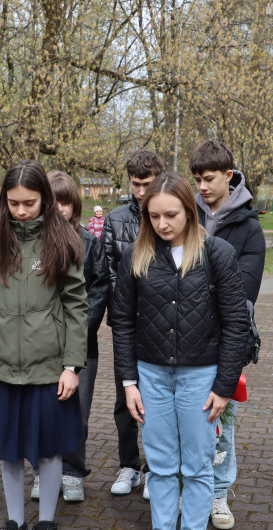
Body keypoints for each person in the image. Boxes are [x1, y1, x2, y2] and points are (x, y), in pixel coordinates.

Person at [112, 172, 249, 530]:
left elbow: (236, 323)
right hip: (151, 374)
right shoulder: (136, 256)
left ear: (190, 211)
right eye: (153, 216)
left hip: (200, 375)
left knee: (197, 463)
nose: (162, 224)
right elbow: (121, 321)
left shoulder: (217, 253)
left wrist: (224, 386)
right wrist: (128, 382)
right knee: (160, 462)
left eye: (171, 214)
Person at [0, 160, 87, 530]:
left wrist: (72, 365)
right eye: (14, 203)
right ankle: (16, 526)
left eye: (30, 203)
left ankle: (47, 526)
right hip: (0, 368)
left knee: (49, 451)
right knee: (9, 450)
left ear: (46, 200)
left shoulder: (63, 241)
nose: (21, 211)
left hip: (48, 368)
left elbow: (76, 307)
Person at [190, 140, 266, 530]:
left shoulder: (249, 226)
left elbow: (243, 290)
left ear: (229, 176)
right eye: (197, 179)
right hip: (184, 335)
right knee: (188, 417)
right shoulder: (187, 217)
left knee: (223, 417)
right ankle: (190, 487)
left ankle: (219, 492)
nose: (202, 186)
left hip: (227, 337)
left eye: (209, 179)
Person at [31, 171, 108, 503]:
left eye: (65, 201)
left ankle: (74, 472)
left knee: (78, 410)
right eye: (54, 201)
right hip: (40, 348)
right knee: (41, 412)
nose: (59, 209)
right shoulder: (32, 244)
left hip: (81, 348)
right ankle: (42, 472)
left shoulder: (90, 244)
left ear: (74, 205)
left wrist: (76, 333)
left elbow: (100, 290)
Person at [101, 149, 166, 497]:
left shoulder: (169, 216)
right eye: (135, 184)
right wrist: (129, 306)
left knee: (159, 399)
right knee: (125, 395)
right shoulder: (114, 220)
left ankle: (157, 468)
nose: (140, 192)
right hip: (127, 324)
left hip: (163, 324)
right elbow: (109, 272)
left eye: (147, 184)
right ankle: (129, 464)